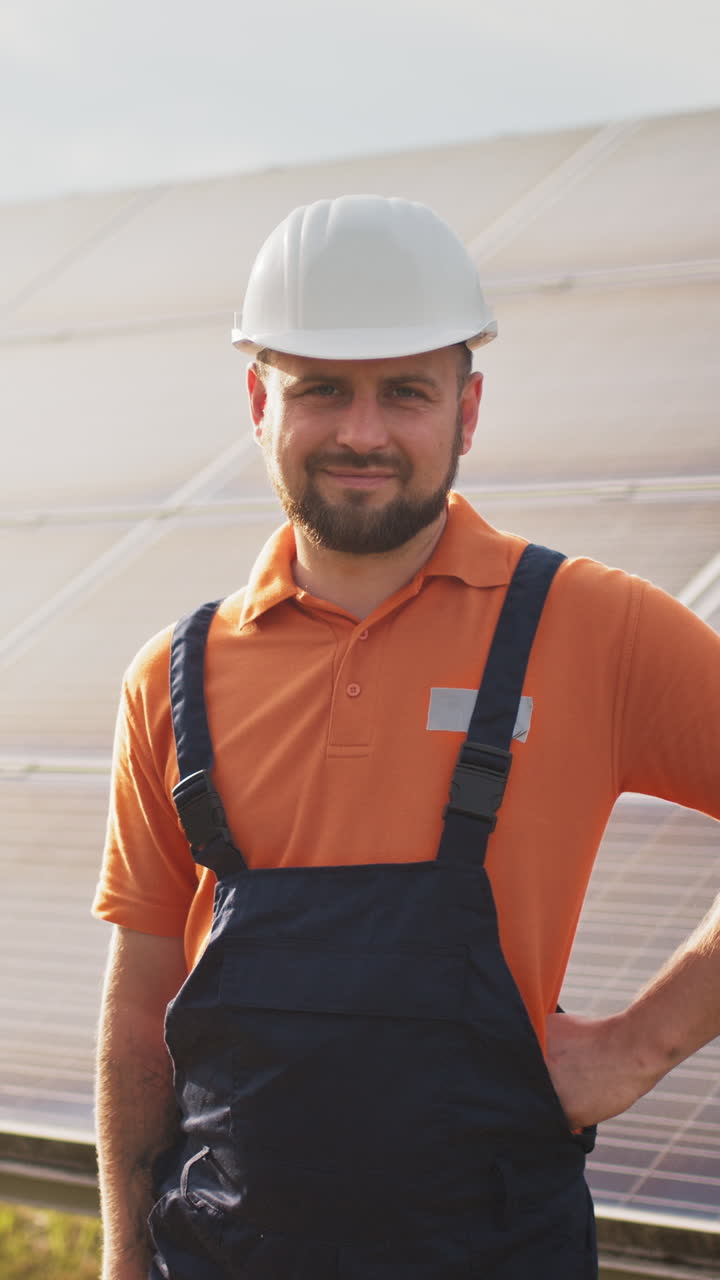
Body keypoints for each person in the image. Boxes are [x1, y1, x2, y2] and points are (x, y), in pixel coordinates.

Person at [93, 194, 720, 1280]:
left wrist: (639, 1044)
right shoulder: (172, 678)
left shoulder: (593, 627)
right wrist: (117, 1259)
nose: (362, 432)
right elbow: (142, 1002)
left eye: (406, 392)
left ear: (467, 411)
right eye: (321, 388)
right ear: (260, 401)